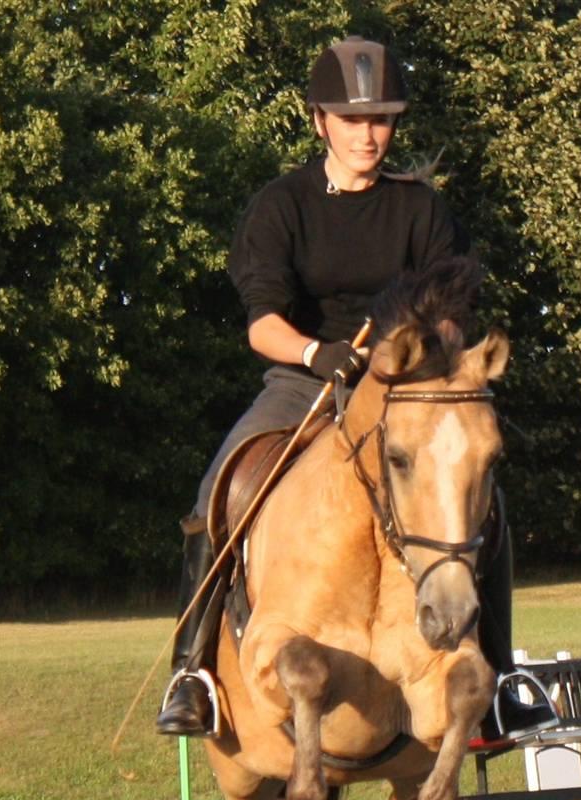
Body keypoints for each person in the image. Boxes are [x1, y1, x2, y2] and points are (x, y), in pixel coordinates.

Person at [156, 34, 557, 741]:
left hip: (406, 385)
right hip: (303, 377)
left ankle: (501, 670)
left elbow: (454, 319)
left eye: (380, 121)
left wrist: (418, 357)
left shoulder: (422, 209)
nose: (368, 134)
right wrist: (323, 353)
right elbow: (263, 327)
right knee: (222, 486)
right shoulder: (282, 205)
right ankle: (190, 673)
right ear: (319, 121)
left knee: (486, 500)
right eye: (352, 120)